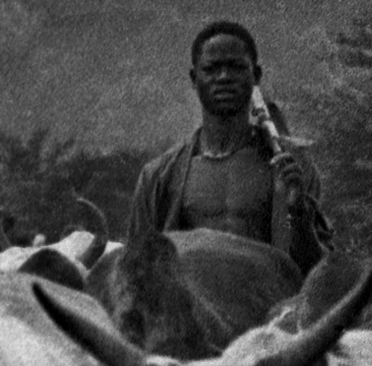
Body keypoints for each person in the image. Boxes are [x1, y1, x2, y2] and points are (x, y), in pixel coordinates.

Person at [128, 19, 331, 274]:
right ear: (194, 78)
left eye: (236, 67)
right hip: (190, 309)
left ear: (255, 76)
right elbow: (137, 272)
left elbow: (319, 273)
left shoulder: (291, 166)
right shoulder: (157, 177)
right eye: (211, 69)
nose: (223, 77)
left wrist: (299, 215)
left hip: (273, 307)